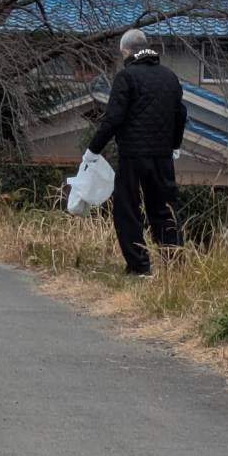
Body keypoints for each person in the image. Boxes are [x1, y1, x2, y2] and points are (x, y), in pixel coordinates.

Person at [87, 28, 189, 276]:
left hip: (133, 155)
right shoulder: (169, 77)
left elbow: (114, 118)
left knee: (128, 210)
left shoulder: (126, 77)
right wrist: (175, 145)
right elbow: (181, 114)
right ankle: (174, 265)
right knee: (163, 210)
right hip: (163, 156)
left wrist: (93, 149)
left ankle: (138, 266)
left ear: (125, 51)